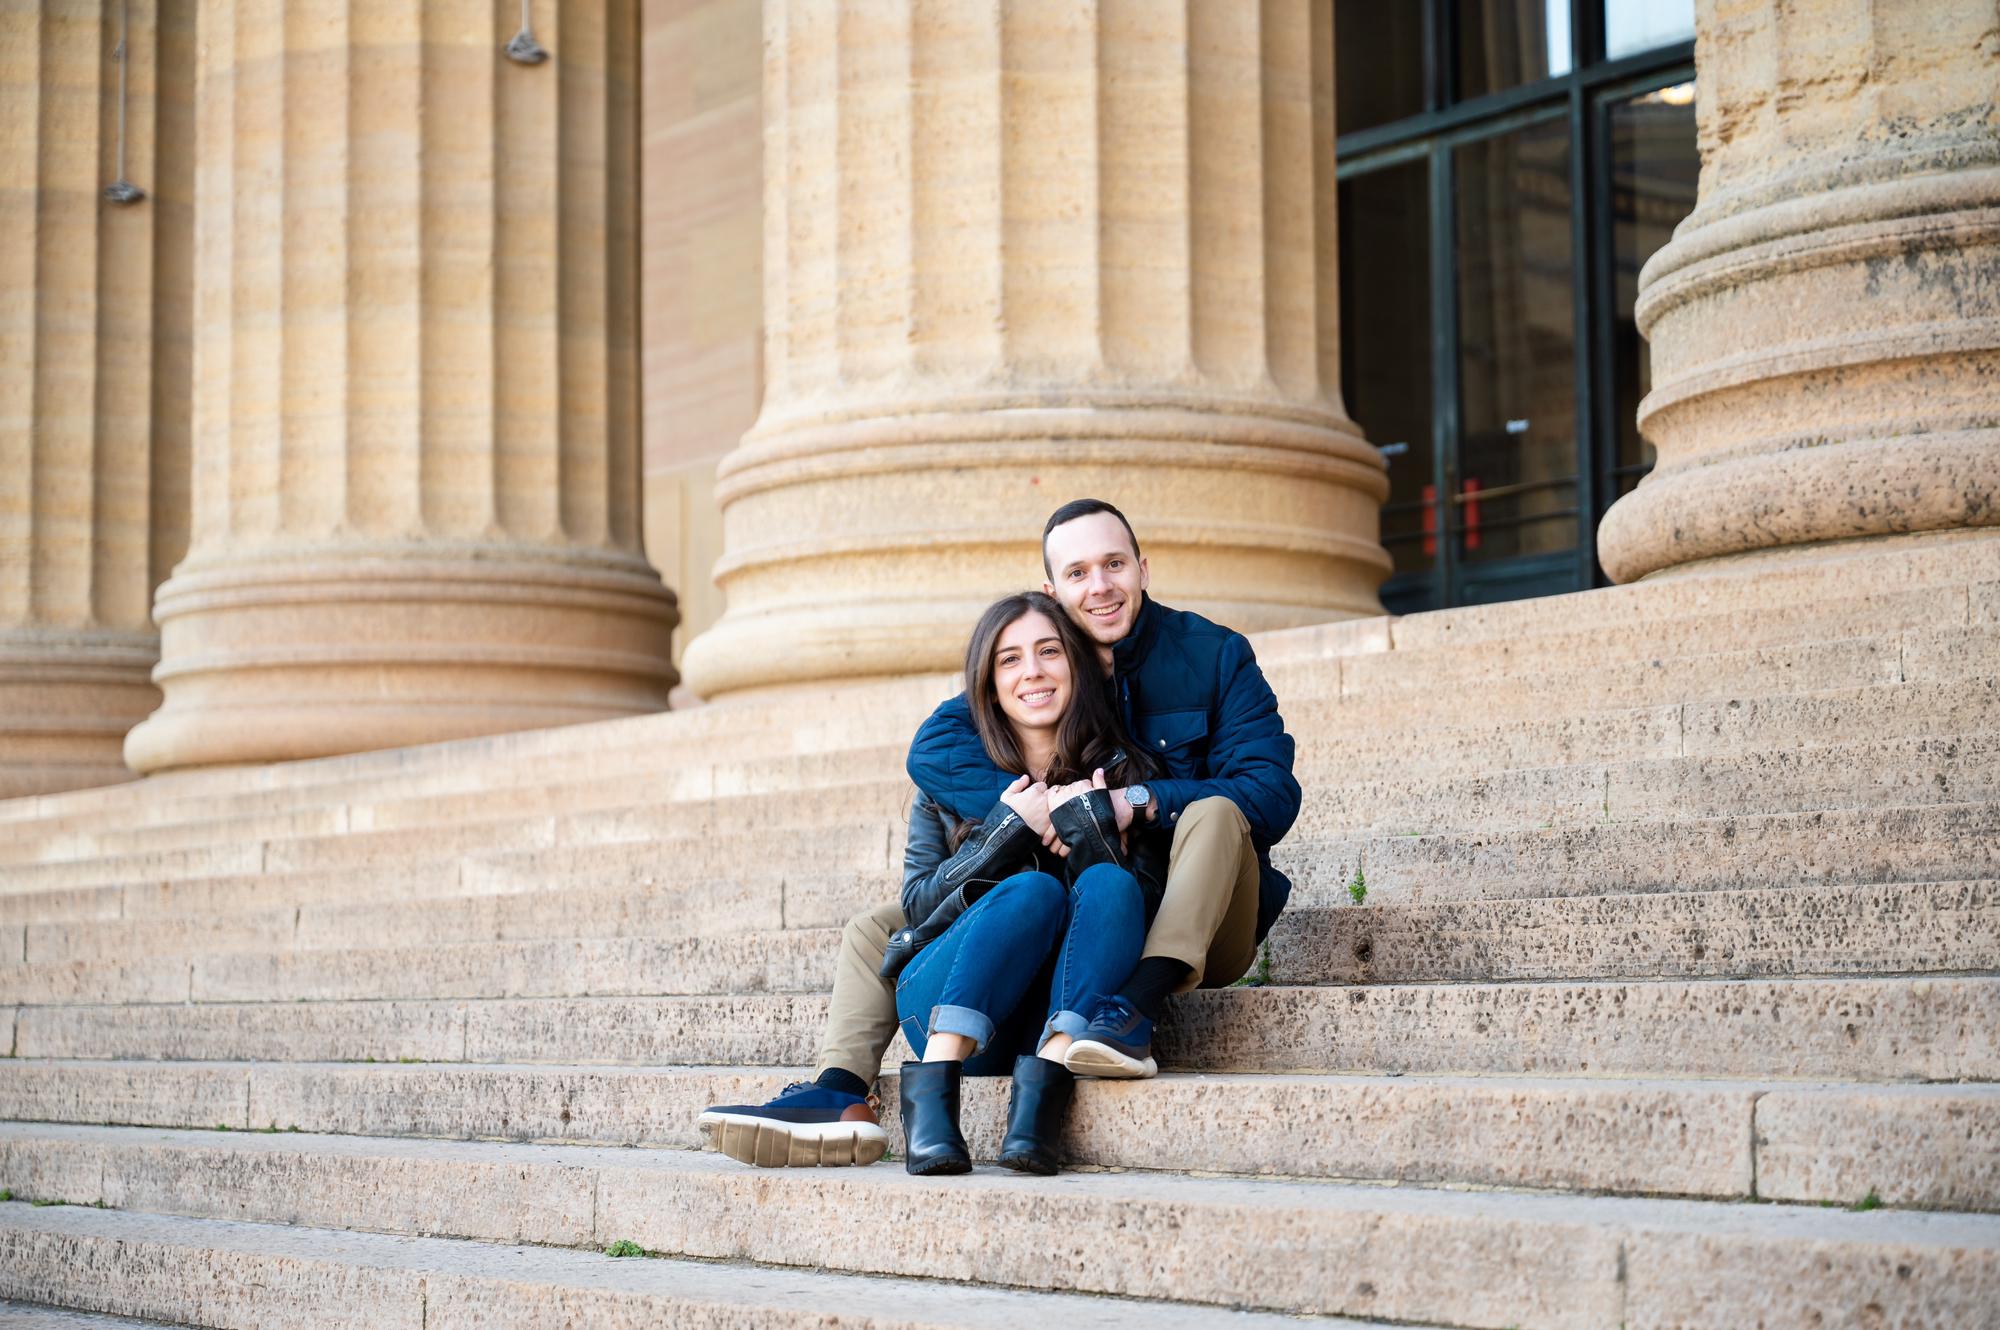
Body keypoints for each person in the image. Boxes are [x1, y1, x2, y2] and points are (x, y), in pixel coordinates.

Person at [699, 498, 1300, 1166]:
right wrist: (1014, 822)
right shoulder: (973, 744)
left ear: (1142, 569)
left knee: (1144, 858)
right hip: (998, 961)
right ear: (1052, 595)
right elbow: (931, 766)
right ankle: (844, 1088)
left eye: (1114, 565)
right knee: (916, 917)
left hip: (1170, 923)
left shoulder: (1198, 670)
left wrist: (1126, 803)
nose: (1099, 586)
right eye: (1078, 573)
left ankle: (1119, 1018)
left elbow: (1267, 795)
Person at [702, 590, 1167, 1175]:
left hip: (1057, 1020)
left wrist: (1091, 824)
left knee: (1112, 887)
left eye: (1049, 651)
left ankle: (1041, 1101)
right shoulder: (945, 787)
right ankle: (931, 1109)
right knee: (1032, 891)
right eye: (1009, 659)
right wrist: (1006, 831)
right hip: (949, 1009)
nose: (1033, 672)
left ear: (1075, 663)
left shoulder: (1126, 775)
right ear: (987, 682)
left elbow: (1141, 906)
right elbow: (918, 904)